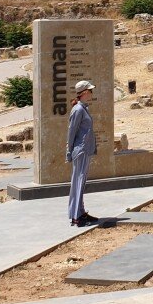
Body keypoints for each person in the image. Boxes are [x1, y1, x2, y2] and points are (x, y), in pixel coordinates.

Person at [65, 80, 98, 227]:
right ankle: (77, 216)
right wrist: (69, 151)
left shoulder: (83, 108)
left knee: (80, 182)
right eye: (90, 91)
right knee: (78, 182)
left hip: (85, 149)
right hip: (81, 150)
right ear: (84, 92)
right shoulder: (78, 110)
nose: (91, 93)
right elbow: (71, 132)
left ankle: (80, 212)